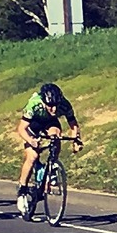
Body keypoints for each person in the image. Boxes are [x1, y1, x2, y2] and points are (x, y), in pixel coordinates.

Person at [15, 81, 82, 217]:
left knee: (56, 136)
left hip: (50, 123)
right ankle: (22, 190)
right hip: (33, 124)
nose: (54, 110)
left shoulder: (64, 104)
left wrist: (76, 140)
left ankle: (51, 166)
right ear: (43, 101)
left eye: (56, 106)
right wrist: (31, 141)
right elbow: (21, 128)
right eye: (50, 106)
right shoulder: (34, 104)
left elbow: (73, 124)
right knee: (32, 156)